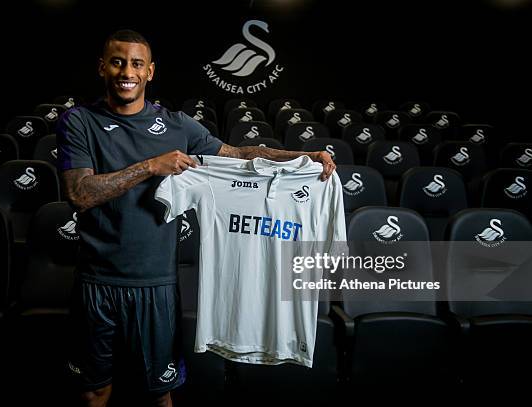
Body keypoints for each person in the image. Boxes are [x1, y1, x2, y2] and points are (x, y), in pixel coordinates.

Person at [57, 29, 336, 407]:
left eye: (137, 64)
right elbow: (79, 194)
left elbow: (237, 154)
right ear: (102, 67)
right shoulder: (79, 121)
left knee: (160, 394)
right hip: (96, 281)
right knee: (94, 392)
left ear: (150, 72)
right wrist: (151, 166)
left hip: (155, 283)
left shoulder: (176, 124)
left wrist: (301, 157)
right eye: (118, 61)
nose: (127, 71)